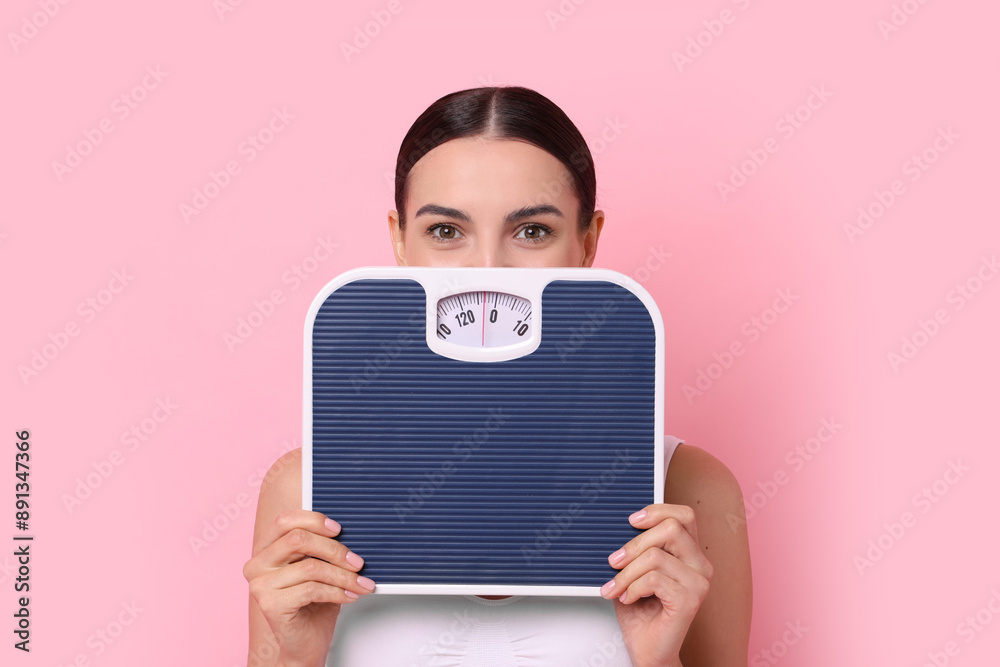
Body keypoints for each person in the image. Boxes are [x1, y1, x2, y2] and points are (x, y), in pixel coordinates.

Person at [244, 85, 752, 666]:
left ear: (587, 243)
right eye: (445, 231)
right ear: (399, 241)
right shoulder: (304, 495)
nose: (488, 270)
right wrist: (296, 657)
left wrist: (656, 659)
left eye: (532, 231)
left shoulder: (689, 494)